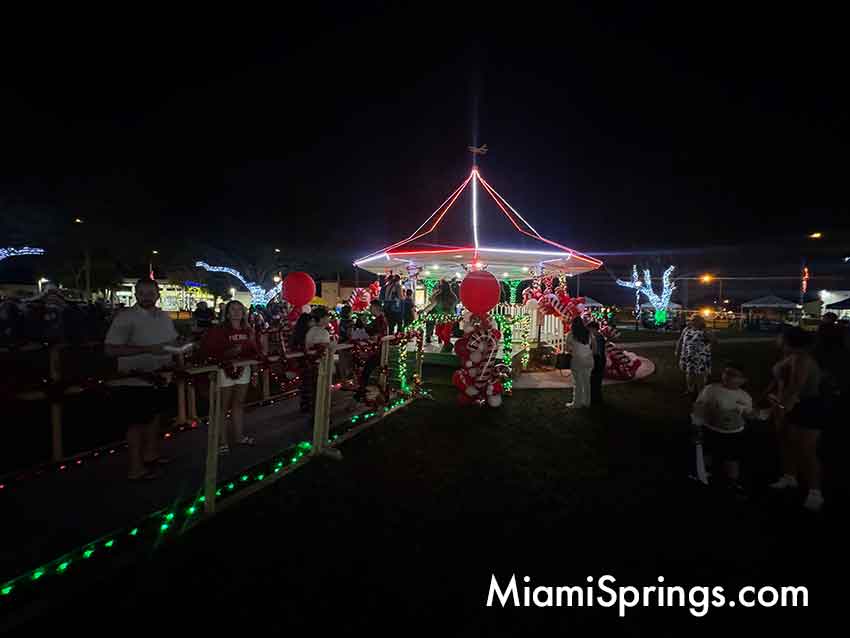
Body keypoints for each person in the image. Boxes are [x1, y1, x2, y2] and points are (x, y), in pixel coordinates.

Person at [104, 279, 178, 480]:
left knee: (155, 417)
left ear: (157, 295)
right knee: (136, 423)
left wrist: (182, 350)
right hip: (134, 379)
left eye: (150, 293)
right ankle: (135, 468)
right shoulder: (126, 317)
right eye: (142, 293)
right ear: (136, 295)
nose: (147, 296)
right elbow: (110, 349)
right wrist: (146, 350)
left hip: (160, 376)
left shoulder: (163, 317)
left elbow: (170, 343)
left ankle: (151, 455)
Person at [768, 327, 825, 511]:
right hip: (788, 404)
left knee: (806, 451)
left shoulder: (801, 359)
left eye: (780, 337)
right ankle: (789, 477)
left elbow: (795, 388)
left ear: (788, 340)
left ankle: (815, 492)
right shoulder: (791, 356)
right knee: (786, 442)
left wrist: (781, 410)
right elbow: (779, 382)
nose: (777, 339)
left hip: (807, 407)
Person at [200, 300, 259, 453]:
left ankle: (239, 436)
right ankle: (222, 441)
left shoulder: (248, 329)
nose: (237, 312)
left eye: (240, 309)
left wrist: (254, 370)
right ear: (227, 312)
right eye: (233, 309)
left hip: (243, 369)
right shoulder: (219, 330)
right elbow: (211, 350)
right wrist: (230, 352)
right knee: (223, 406)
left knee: (239, 404)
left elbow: (255, 349)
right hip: (225, 370)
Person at [691, 363, 756, 493]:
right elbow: (699, 407)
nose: (727, 376)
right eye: (726, 373)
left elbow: (749, 414)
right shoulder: (711, 390)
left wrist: (749, 413)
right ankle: (704, 473)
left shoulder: (744, 396)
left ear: (743, 380)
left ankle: (733, 482)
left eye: (733, 375)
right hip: (711, 429)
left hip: (733, 433)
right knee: (707, 453)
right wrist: (696, 424)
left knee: (731, 457)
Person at [355, 300, 388, 402]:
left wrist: (365, 327)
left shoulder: (380, 320)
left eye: (371, 307)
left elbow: (376, 334)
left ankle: (362, 394)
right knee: (367, 372)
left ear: (375, 307)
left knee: (366, 372)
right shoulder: (380, 319)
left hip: (378, 351)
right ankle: (364, 393)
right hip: (378, 350)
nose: (369, 309)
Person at [675, 315, 715, 396]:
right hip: (687, 355)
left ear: (701, 322)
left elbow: (714, 341)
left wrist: (708, 337)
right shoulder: (687, 329)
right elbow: (680, 340)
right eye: (692, 320)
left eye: (695, 320)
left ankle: (701, 393)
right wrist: (677, 350)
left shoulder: (705, 331)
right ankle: (690, 390)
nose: (693, 322)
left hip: (700, 357)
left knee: (700, 375)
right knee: (689, 373)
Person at [565, 317, 593, 408]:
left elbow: (568, 349)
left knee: (577, 383)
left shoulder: (571, 334)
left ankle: (577, 403)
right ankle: (587, 402)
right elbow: (592, 345)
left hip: (577, 360)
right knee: (587, 382)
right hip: (589, 359)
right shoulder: (588, 333)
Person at [587, 321, 606, 406]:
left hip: (597, 362)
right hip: (597, 361)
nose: (588, 330)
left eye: (590, 329)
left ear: (594, 328)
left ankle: (595, 400)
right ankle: (595, 399)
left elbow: (597, 352)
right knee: (594, 382)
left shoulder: (598, 337)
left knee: (595, 381)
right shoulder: (596, 337)